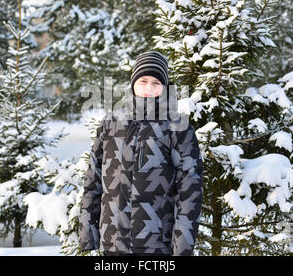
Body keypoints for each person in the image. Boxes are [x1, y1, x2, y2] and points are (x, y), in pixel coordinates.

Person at [79, 50, 203, 256]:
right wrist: (88, 235)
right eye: (143, 80)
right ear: (133, 82)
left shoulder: (177, 127)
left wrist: (182, 249)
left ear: (164, 87)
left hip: (157, 246)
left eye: (156, 83)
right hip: (112, 243)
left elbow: (190, 192)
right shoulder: (111, 124)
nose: (148, 88)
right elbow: (93, 181)